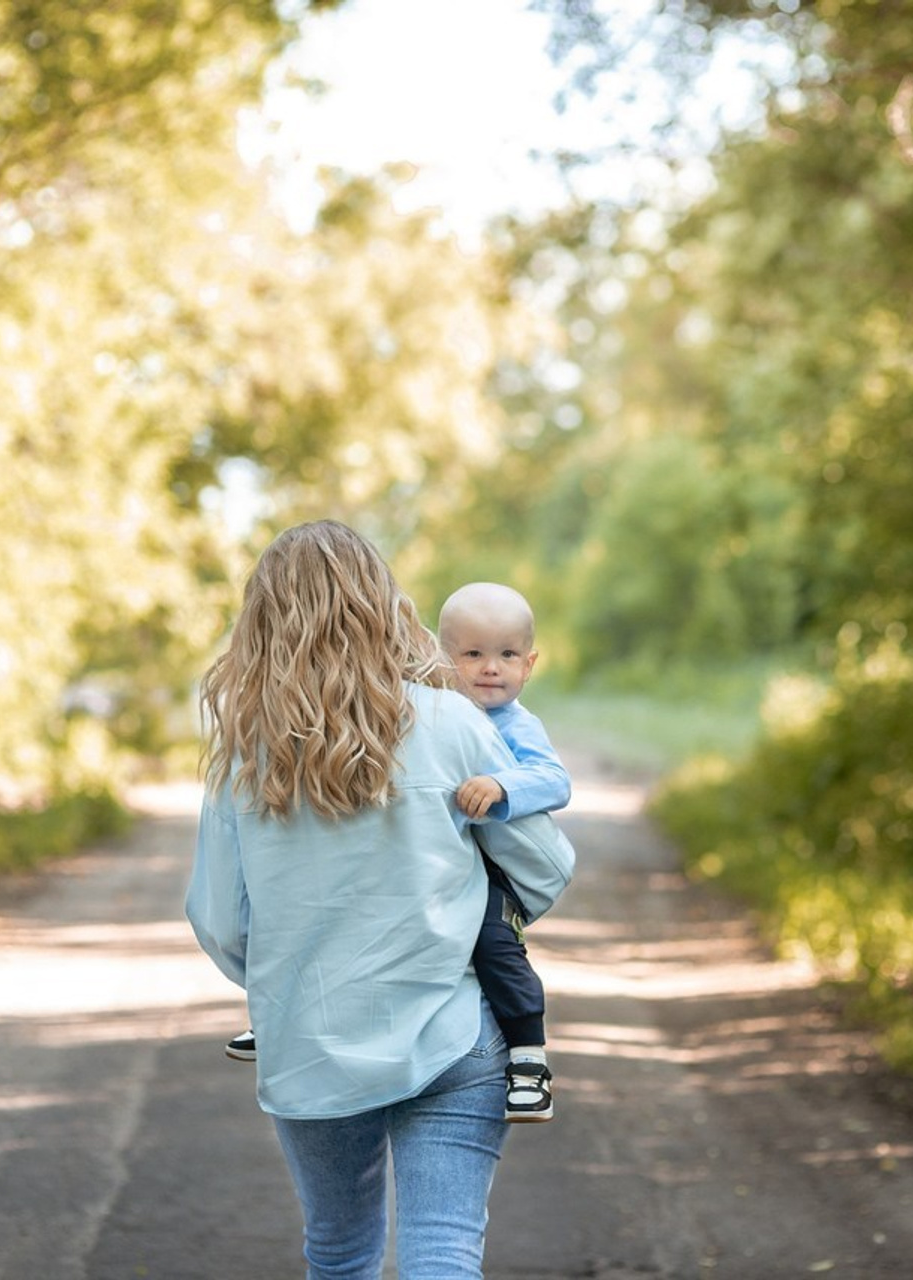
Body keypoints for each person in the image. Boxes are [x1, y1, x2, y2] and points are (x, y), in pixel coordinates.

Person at [185, 520, 575, 1279]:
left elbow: (221, 921)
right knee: (444, 1250)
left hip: (309, 1041)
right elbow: (545, 869)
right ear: (383, 607)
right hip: (451, 1030)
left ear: (262, 624)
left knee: (339, 1252)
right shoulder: (450, 721)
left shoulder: (243, 752)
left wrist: (288, 975)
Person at [438, 582, 571, 1123]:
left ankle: (527, 1059)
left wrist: (501, 786)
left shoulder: (518, 725)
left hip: (498, 869)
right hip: (444, 859)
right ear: (444, 660)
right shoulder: (439, 713)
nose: (491, 667)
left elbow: (554, 781)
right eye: (473, 654)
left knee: (496, 944)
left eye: (507, 655)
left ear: (529, 663)